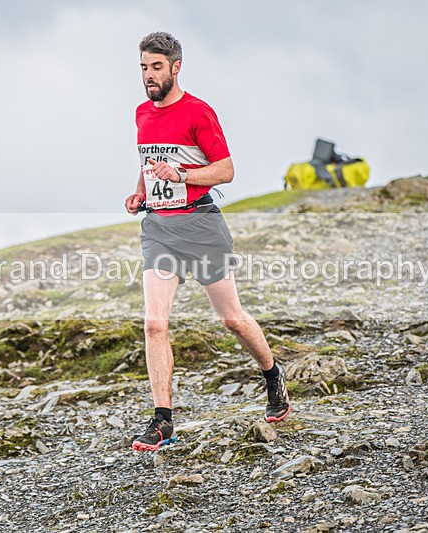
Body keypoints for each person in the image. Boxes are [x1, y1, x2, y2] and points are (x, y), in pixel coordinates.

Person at [124, 32, 291, 452]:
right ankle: (163, 420)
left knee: (231, 319)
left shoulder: (199, 112)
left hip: (201, 226)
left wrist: (181, 175)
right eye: (144, 67)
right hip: (159, 228)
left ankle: (272, 374)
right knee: (154, 323)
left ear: (176, 67)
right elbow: (148, 162)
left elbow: (226, 170)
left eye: (156, 67)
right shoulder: (142, 113)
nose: (149, 75)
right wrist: (140, 192)